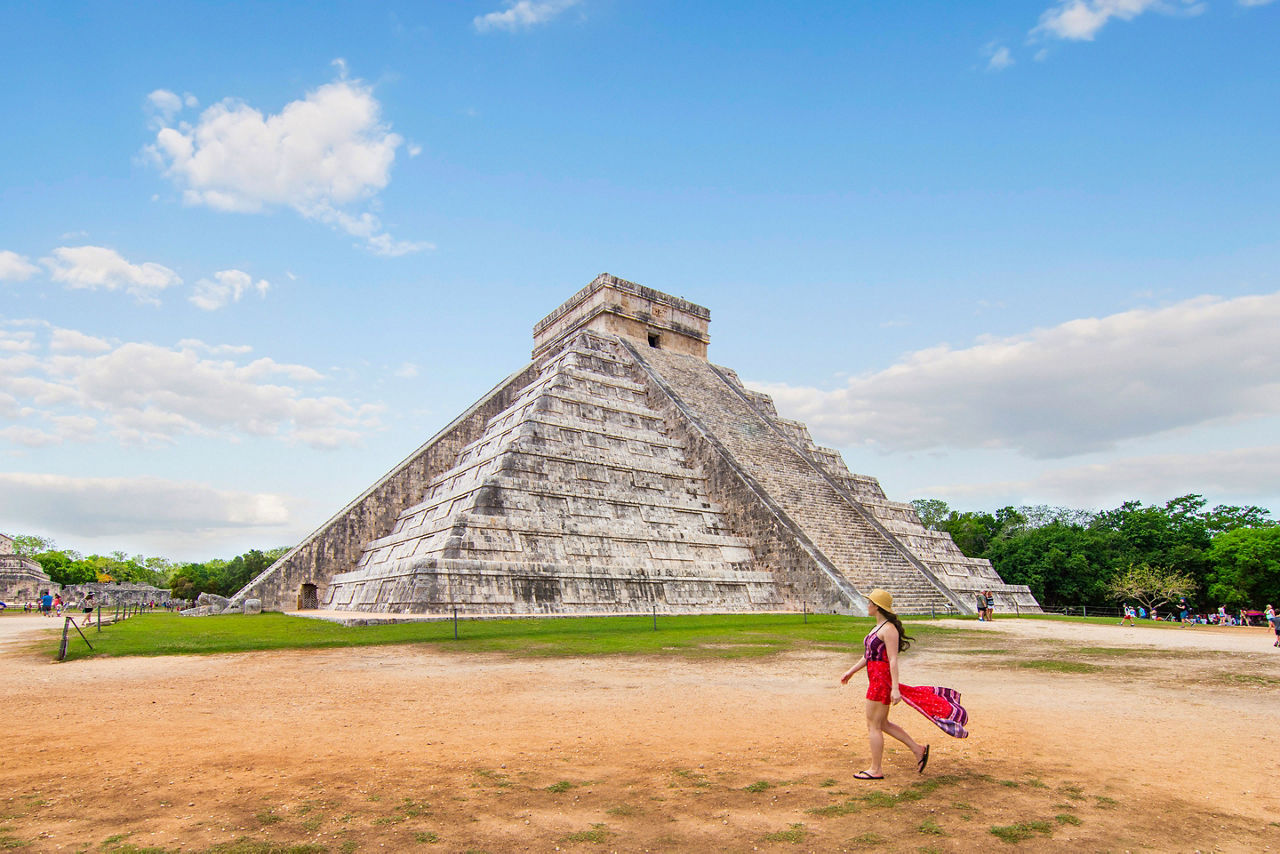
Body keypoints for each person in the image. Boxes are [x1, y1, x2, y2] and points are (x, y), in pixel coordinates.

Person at [840, 589, 968, 780]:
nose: (867, 605)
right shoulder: (878, 627)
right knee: (882, 723)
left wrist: (895, 688)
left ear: (877, 606)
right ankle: (918, 749)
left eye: (870, 602)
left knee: (873, 725)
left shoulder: (889, 629)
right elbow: (868, 656)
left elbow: (892, 660)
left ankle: (876, 769)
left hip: (881, 682)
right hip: (876, 680)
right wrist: (850, 671)